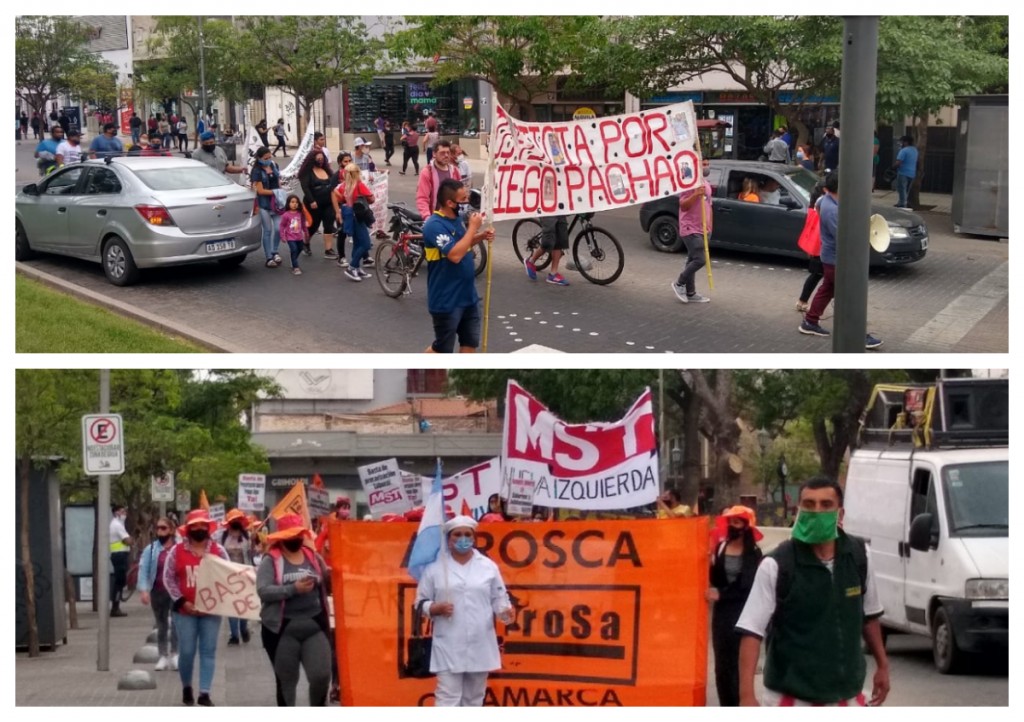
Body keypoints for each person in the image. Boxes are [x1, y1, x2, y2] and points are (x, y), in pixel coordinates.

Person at [735, 477, 890, 707]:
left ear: (840, 514)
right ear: (799, 511)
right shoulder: (777, 565)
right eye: (809, 504)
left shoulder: (859, 556)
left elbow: (870, 616)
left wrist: (883, 665)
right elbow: (751, 631)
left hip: (847, 698)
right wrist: (746, 696)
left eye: (826, 505)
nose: (817, 511)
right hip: (791, 700)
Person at [414, 515, 515, 706]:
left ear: (474, 537)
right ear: (449, 539)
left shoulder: (488, 566)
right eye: (457, 535)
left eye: (467, 534)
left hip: (480, 643)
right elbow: (419, 602)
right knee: (447, 698)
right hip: (448, 644)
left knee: (474, 699)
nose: (463, 539)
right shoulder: (436, 568)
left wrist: (505, 613)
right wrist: (434, 608)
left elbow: (499, 600)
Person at [798, 172, 883, 349]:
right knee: (850, 296)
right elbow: (842, 237)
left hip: (830, 257)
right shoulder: (832, 210)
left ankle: (810, 321)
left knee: (828, 288)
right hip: (836, 259)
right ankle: (858, 335)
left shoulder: (825, 200)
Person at [256, 513, 333, 707]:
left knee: (321, 676)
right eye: (291, 536)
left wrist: (329, 576)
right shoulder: (271, 559)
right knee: (287, 683)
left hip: (314, 625)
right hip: (282, 629)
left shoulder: (312, 556)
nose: (296, 539)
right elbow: (263, 591)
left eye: (298, 535)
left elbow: (326, 580)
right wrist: (293, 589)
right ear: (282, 537)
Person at [163, 509, 230, 706]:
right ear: (189, 528)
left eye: (203, 525)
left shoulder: (220, 552)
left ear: (208, 528)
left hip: (211, 611)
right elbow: (168, 579)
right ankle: (186, 686)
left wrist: (214, 602)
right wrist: (183, 601)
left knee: (208, 650)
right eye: (195, 525)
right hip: (185, 612)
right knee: (187, 651)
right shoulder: (176, 552)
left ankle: (205, 693)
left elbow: (229, 578)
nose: (199, 529)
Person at [421, 179, 493, 353]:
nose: (467, 202)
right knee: (442, 349)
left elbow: (462, 244)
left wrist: (481, 236)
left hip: (468, 297)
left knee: (470, 344)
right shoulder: (434, 226)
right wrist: (472, 229)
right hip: (446, 300)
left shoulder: (457, 219)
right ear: (449, 203)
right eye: (463, 199)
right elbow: (454, 254)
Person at [707, 506, 763, 706]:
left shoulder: (754, 554)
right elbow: (713, 577)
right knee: (722, 664)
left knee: (739, 663)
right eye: (731, 522)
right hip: (722, 615)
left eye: (737, 522)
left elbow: (747, 586)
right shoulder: (720, 548)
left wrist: (721, 594)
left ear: (746, 526)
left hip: (744, 612)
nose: (733, 526)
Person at [138, 516, 179, 672]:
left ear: (172, 530)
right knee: (161, 624)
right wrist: (143, 590)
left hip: (176, 592)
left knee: (176, 624)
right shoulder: (152, 549)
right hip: (158, 591)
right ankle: (163, 656)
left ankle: (175, 654)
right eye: (158, 528)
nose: (160, 531)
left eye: (164, 528)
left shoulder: (179, 548)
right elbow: (144, 570)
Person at [670, 157, 713, 304]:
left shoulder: (706, 184)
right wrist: (695, 194)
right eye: (704, 164)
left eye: (708, 164)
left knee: (691, 260)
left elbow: (709, 206)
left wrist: (710, 226)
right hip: (690, 227)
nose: (707, 166)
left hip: (703, 229)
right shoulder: (689, 183)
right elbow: (683, 205)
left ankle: (691, 292)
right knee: (699, 259)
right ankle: (679, 283)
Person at [334, 162, 375, 281]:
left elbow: (335, 195)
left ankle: (356, 267)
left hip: (348, 215)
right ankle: (352, 267)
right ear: (357, 173)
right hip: (359, 216)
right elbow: (371, 199)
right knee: (366, 244)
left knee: (357, 242)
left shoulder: (342, 186)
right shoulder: (359, 185)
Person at [220, 509, 255, 644]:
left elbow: (251, 554)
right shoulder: (223, 537)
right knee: (230, 606)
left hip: (244, 576)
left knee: (243, 605)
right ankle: (234, 636)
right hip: (227, 576)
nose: (235, 523)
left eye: (237, 520)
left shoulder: (247, 536)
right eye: (232, 521)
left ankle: (243, 629)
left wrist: (253, 542)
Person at [298, 142, 337, 258]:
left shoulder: (328, 171)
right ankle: (305, 242)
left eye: (322, 158)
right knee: (313, 226)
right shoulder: (307, 172)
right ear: (312, 159)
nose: (320, 161)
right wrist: (311, 201)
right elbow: (305, 187)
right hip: (314, 204)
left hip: (328, 203)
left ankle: (328, 250)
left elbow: (334, 185)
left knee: (329, 225)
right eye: (318, 159)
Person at [795, 178, 826, 313]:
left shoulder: (813, 208)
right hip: (821, 248)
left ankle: (802, 301)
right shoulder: (821, 208)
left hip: (816, 248)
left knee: (816, 275)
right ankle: (803, 302)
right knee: (819, 275)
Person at [251, 146, 284, 268]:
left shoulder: (274, 166)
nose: (268, 160)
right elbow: (260, 191)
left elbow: (278, 180)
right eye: (266, 158)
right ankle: (269, 256)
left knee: (278, 228)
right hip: (264, 204)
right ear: (259, 158)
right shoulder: (257, 171)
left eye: (270, 157)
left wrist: (280, 192)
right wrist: (276, 192)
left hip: (276, 204)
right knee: (268, 230)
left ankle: (275, 251)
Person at [416, 139, 462, 219]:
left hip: (452, 216)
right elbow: (422, 198)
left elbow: (460, 193)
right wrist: (428, 218)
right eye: (442, 153)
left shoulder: (455, 171)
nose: (446, 155)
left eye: (448, 153)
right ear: (434, 154)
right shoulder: (427, 172)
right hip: (435, 218)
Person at [524, 215, 570, 286]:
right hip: (548, 210)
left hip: (559, 210)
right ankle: (531, 261)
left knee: (560, 240)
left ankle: (553, 274)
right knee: (548, 241)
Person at [109, 504, 132, 617]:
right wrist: (129, 540)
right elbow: (128, 540)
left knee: (121, 582)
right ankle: (115, 607)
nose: (125, 514)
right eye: (122, 511)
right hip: (119, 556)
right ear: (116, 512)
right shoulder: (117, 525)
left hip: (119, 555)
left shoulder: (118, 524)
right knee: (119, 582)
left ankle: (116, 606)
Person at [279, 194, 310, 276]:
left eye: (296, 202)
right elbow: (282, 226)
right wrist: (282, 236)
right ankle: (295, 267)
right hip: (290, 237)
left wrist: (306, 232)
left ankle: (293, 258)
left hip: (299, 237)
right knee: (294, 249)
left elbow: (303, 224)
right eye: (292, 202)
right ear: (288, 203)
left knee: (299, 248)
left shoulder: (300, 214)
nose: (294, 204)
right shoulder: (286, 215)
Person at [892, 135, 919, 210]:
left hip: (903, 172)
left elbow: (899, 162)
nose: (900, 143)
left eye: (901, 142)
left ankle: (902, 204)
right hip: (912, 173)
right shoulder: (915, 150)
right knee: (906, 189)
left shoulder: (903, 150)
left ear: (906, 142)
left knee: (901, 188)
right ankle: (902, 202)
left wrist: (892, 167)